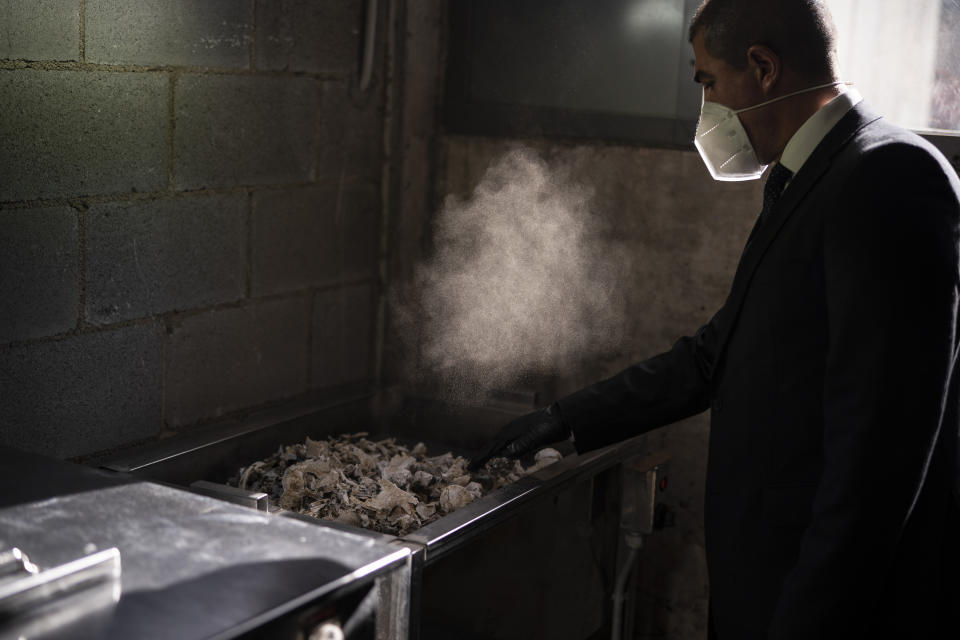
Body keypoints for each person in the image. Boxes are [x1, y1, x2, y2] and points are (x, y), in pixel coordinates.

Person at [469, 0, 960, 638]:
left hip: (821, 604)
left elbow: (878, 460)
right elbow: (716, 354)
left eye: (707, 82)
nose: (705, 108)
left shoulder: (889, 175)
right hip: (764, 581)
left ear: (762, 67)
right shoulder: (809, 176)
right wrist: (564, 420)